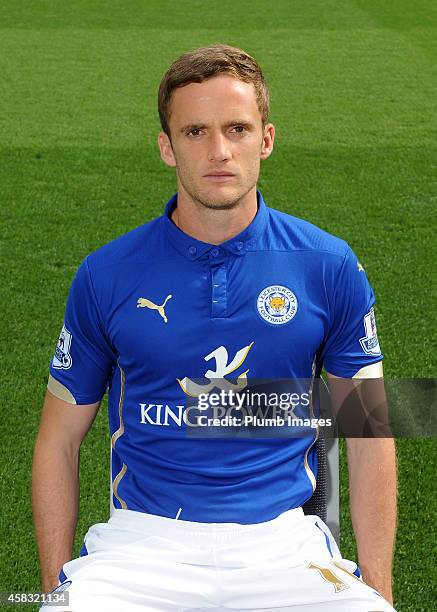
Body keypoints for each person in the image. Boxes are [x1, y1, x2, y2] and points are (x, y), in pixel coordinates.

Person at [32, 44, 397, 611]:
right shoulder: (107, 274)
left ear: (266, 139)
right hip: (140, 546)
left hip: (286, 546)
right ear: (166, 147)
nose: (219, 151)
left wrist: (377, 585)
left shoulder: (328, 265)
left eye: (237, 128)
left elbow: (370, 431)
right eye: (196, 132)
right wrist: (55, 589)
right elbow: (58, 440)